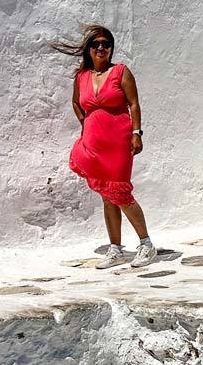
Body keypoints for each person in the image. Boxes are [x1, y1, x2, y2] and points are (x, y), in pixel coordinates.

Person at [52, 25, 156, 269]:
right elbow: (76, 103)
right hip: (94, 141)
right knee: (107, 197)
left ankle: (146, 244)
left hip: (119, 140)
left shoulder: (121, 72)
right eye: (96, 44)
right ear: (88, 49)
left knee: (120, 193)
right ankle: (115, 249)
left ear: (111, 49)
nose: (101, 48)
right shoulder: (82, 77)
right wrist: (85, 123)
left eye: (106, 44)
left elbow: (134, 104)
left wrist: (136, 133)